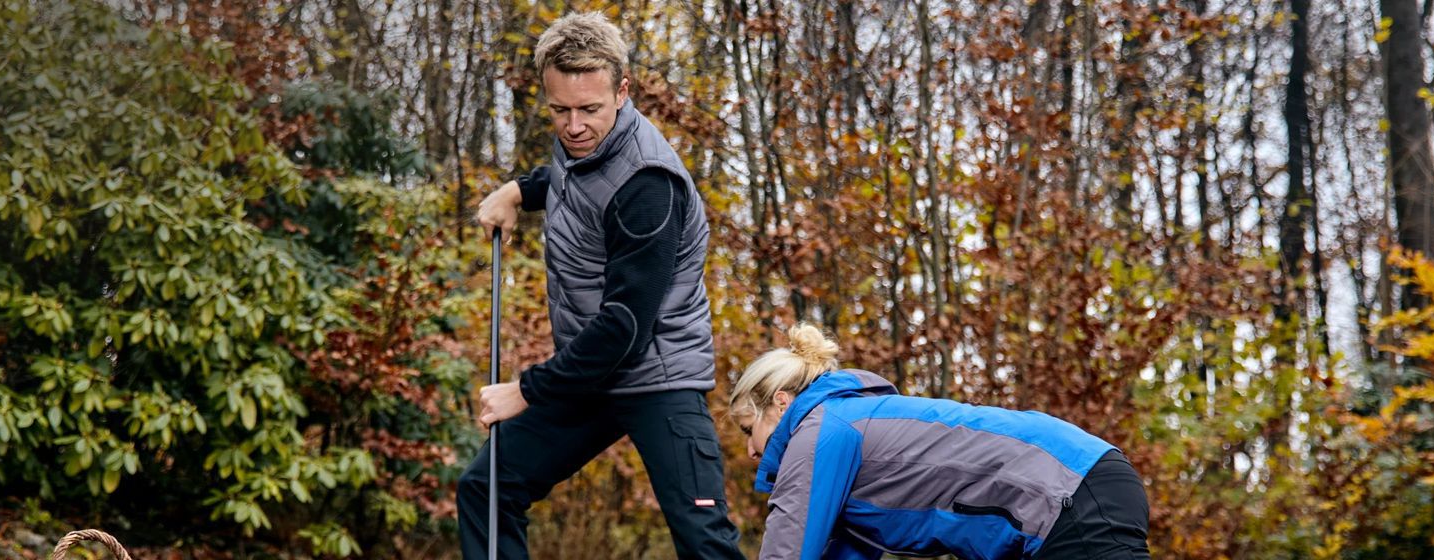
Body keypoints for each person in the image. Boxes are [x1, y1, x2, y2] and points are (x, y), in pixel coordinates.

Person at [463, 11, 746, 560]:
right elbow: (578, 182)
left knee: (704, 541)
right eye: (560, 110)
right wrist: (519, 190)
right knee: (487, 488)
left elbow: (626, 327)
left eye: (589, 109)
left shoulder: (649, 185)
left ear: (622, 91)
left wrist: (525, 390)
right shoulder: (585, 145)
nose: (573, 126)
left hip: (658, 374)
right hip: (592, 373)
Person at [727, 324, 1151, 559]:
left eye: (749, 429)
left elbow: (786, 552)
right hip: (1075, 488)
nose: (750, 450)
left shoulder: (821, 431)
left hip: (1069, 491)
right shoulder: (842, 433)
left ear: (781, 404)